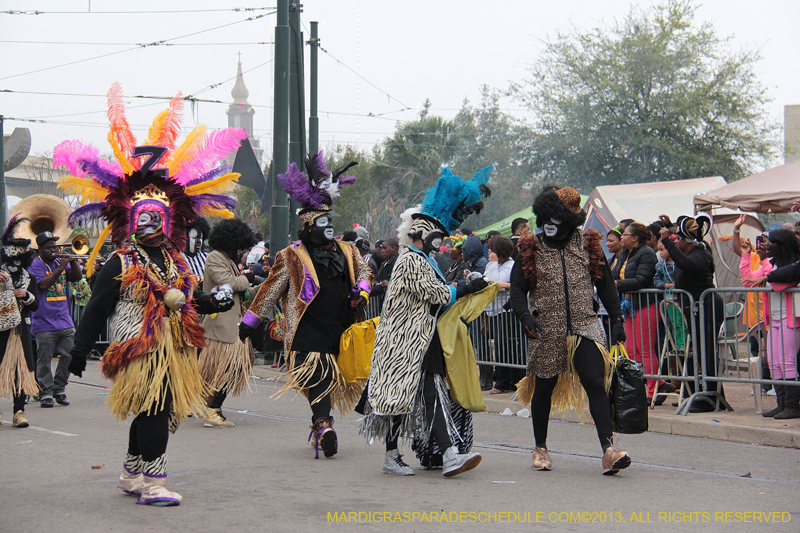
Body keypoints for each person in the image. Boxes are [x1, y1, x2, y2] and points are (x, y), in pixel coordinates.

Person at [62, 87, 242, 506]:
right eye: (140, 216)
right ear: (130, 219)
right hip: (140, 345)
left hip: (176, 345)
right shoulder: (121, 261)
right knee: (157, 406)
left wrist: (209, 303)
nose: (147, 221)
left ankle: (131, 473)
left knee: (153, 410)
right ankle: (154, 483)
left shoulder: (178, 261)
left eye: (155, 216)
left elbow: (185, 300)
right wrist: (79, 350)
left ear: (168, 218)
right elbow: (96, 306)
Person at [359, 165, 492, 478]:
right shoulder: (409, 259)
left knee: (431, 391)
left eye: (441, 236)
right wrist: (465, 286)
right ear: (419, 234)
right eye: (436, 235)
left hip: (423, 338)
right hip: (402, 341)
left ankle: (449, 455)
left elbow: (437, 293)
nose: (440, 241)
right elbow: (436, 293)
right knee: (395, 399)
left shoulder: (425, 260)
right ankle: (394, 456)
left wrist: (465, 286)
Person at [238, 151, 371, 459]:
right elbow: (270, 291)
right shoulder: (290, 255)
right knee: (319, 375)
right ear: (309, 226)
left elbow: (365, 272)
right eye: (322, 223)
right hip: (307, 327)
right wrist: (249, 323)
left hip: (342, 324)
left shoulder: (348, 249)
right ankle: (324, 425)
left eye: (330, 222)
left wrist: (361, 292)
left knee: (333, 377)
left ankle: (320, 425)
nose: (328, 228)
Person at [510, 185, 630, 475]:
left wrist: (616, 320)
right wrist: (525, 316)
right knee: (545, 388)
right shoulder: (530, 247)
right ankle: (540, 448)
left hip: (584, 326)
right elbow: (517, 288)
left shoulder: (588, 244)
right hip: (546, 329)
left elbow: (605, 285)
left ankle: (609, 450)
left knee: (595, 383)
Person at [658, 215, 725, 413]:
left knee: (706, 351)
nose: (675, 242)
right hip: (694, 308)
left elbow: (687, 265)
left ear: (688, 241)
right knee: (697, 352)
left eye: (678, 239)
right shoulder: (690, 251)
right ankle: (698, 391)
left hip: (707, 306)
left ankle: (708, 396)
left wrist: (667, 243)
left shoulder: (701, 253)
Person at [198, 219, 258, 428]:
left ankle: (210, 405)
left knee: (231, 367)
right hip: (222, 324)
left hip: (232, 323)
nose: (241, 250)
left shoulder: (228, 259)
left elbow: (241, 291)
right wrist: (248, 279)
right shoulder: (215, 258)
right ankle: (212, 410)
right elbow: (228, 283)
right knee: (231, 367)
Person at [741, 229, 800, 419]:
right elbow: (749, 281)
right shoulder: (773, 264)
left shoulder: (794, 264)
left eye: (770, 242)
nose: (766, 245)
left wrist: (765, 274)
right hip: (773, 318)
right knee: (774, 362)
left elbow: (780, 283)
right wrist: (746, 255)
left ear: (781, 245)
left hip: (790, 318)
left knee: (787, 361)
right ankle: (781, 404)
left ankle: (792, 406)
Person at [28, 231, 83, 408]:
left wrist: (72, 261)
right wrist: (60, 268)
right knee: (44, 359)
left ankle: (59, 389)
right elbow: (42, 285)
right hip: (43, 320)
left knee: (69, 354)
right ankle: (45, 391)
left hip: (64, 319)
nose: (53, 250)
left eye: (54, 247)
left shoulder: (61, 261)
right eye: (48, 247)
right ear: (40, 249)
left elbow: (78, 277)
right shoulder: (35, 264)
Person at [0, 215, 39, 428]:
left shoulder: (29, 279)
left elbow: (36, 306)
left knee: (21, 371)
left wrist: (26, 295)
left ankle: (19, 412)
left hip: (21, 331)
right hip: (1, 330)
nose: (14, 265)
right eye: (11, 261)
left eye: (18, 261)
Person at [613, 222, 659, 402]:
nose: (622, 237)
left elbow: (641, 280)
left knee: (646, 350)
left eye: (625, 234)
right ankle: (646, 385)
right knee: (632, 350)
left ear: (635, 238)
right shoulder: (625, 253)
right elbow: (617, 273)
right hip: (630, 306)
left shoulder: (647, 253)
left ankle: (652, 388)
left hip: (645, 305)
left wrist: (617, 285)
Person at [484, 236, 524, 394]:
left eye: (492, 249)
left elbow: (494, 282)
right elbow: (485, 278)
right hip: (493, 311)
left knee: (503, 347)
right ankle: (503, 379)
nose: (489, 252)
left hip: (505, 312)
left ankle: (503, 382)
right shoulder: (491, 264)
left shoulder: (510, 265)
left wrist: (493, 264)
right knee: (499, 346)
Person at [181, 217, 210, 286]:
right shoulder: (178, 259)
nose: (198, 241)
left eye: (200, 238)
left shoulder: (208, 257)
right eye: (194, 238)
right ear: (184, 239)